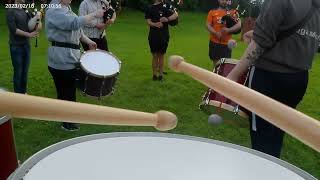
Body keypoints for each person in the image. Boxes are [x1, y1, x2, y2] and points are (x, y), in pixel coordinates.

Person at [227, 0, 320, 158]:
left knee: (262, 141)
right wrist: (258, 33)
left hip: (269, 78)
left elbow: (260, 43)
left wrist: (233, 75)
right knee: (277, 133)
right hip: (299, 80)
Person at [45, 0, 104, 131]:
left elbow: (77, 29)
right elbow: (74, 23)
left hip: (69, 57)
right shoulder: (54, 9)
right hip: (61, 58)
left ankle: (67, 118)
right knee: (66, 91)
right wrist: (95, 14)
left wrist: (89, 41)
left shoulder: (66, 7)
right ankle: (67, 123)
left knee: (68, 90)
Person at [6, 0, 39, 94]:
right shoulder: (11, 11)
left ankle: (23, 93)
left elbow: (31, 26)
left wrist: (37, 19)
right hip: (16, 47)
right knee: (18, 73)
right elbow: (13, 30)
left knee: (25, 73)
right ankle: (17, 96)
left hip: (26, 46)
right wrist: (29, 35)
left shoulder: (26, 10)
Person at [145, 0, 178, 81]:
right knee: (155, 55)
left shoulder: (165, 7)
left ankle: (160, 75)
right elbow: (148, 21)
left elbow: (176, 15)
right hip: (153, 35)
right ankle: (154, 75)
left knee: (161, 55)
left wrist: (167, 19)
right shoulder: (150, 8)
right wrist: (155, 24)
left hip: (164, 35)